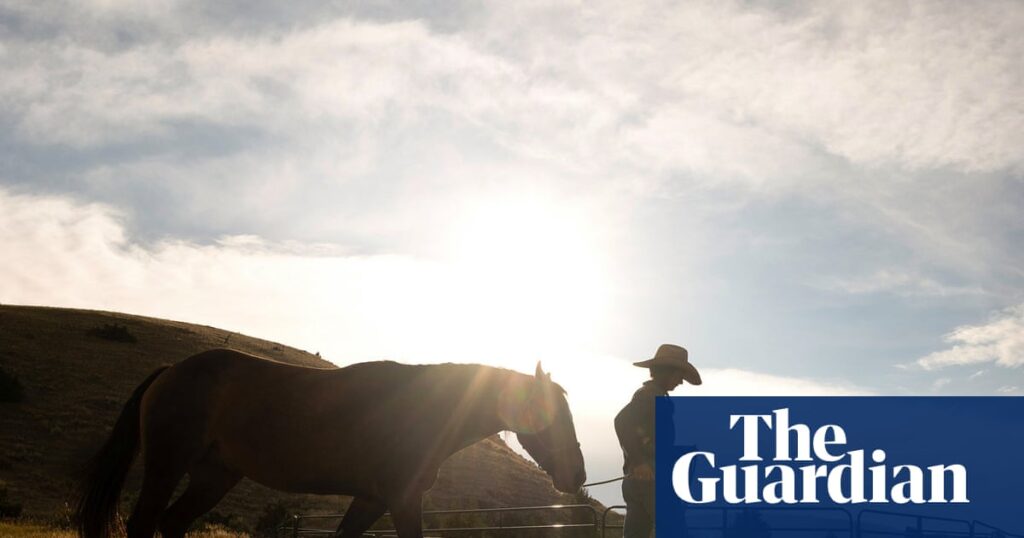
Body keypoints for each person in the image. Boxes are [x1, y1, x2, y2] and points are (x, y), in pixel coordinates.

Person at [614, 344, 702, 538]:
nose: (680, 382)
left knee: (636, 533)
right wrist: (640, 462)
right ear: (667, 372)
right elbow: (622, 421)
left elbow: (645, 437)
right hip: (653, 480)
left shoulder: (653, 395)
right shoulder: (650, 396)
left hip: (637, 479)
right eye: (679, 375)